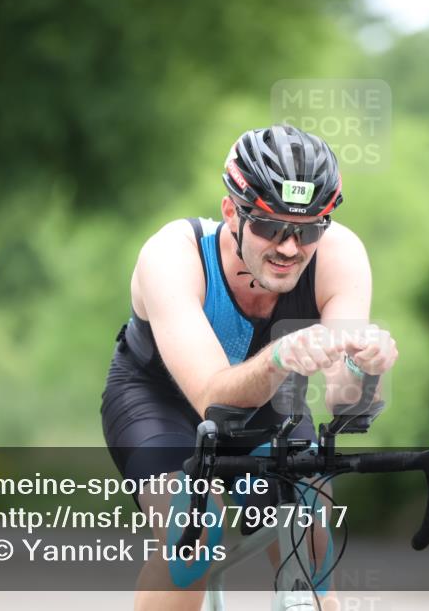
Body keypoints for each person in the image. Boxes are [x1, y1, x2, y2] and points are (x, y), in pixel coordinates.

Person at [101, 125, 398, 610]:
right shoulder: (173, 255)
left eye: (306, 230)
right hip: (160, 402)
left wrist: (369, 370)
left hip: (271, 403)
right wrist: (281, 355)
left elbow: (345, 402)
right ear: (230, 213)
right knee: (194, 531)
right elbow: (214, 402)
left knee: (311, 530)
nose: (287, 247)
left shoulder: (340, 256)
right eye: (268, 225)